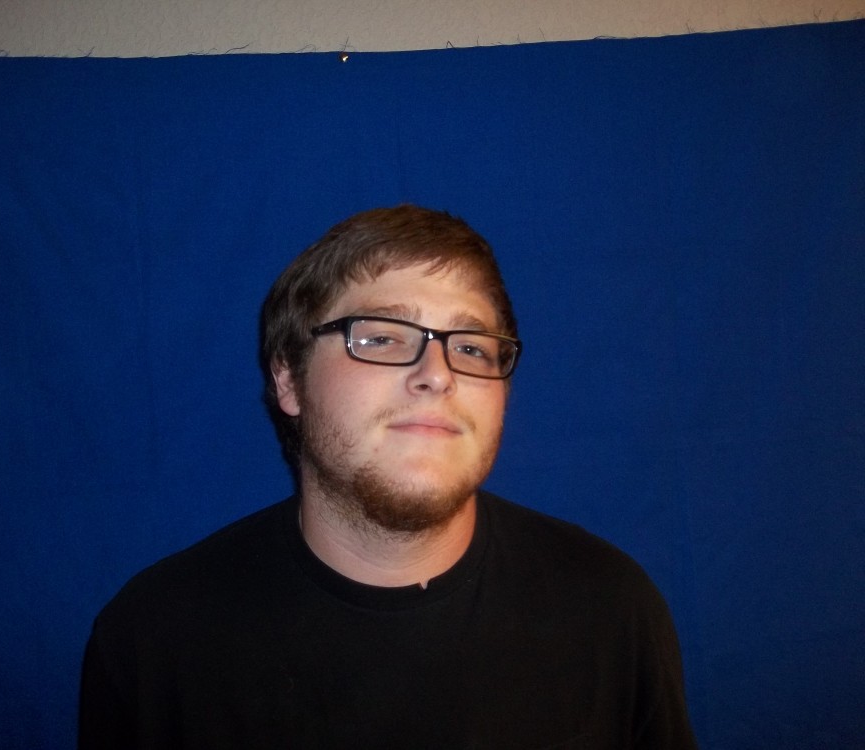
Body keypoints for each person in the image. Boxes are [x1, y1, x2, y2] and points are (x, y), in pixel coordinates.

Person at [79, 205, 697, 749]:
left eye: (471, 347)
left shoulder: (610, 610)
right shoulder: (154, 644)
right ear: (288, 380)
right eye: (380, 337)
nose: (438, 374)